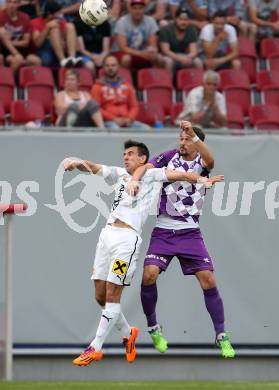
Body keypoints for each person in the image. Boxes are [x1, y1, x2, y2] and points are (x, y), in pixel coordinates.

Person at [63, 139, 224, 366]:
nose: (125, 157)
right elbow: (94, 167)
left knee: (112, 296)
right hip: (106, 237)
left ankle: (95, 347)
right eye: (124, 154)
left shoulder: (153, 175)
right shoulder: (120, 174)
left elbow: (181, 175)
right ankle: (128, 334)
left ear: (142, 159)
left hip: (127, 243)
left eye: (130, 154)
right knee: (100, 296)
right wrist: (75, 161)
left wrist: (201, 180)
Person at [128, 121, 235, 359]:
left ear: (197, 142)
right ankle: (154, 327)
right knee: (149, 274)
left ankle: (221, 335)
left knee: (208, 279)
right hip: (164, 229)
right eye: (181, 138)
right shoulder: (169, 156)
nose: (182, 142)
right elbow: (145, 167)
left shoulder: (202, 163)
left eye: (187, 139)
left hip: (189, 231)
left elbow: (211, 160)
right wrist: (135, 179)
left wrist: (194, 136)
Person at [91, 54, 151, 130]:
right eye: (107, 65)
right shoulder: (97, 87)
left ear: (118, 66)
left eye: (113, 65)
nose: (110, 68)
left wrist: (129, 118)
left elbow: (134, 106)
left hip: (127, 121)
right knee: (115, 129)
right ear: (103, 67)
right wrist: (113, 119)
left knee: (146, 129)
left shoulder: (127, 86)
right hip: (108, 122)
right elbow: (96, 109)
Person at [31, 0, 82, 67]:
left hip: (61, 47)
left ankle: (72, 58)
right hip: (45, 48)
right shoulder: (35, 22)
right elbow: (37, 44)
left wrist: (62, 40)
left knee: (70, 26)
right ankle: (62, 61)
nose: (61, 15)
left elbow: (65, 38)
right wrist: (47, 27)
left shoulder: (60, 20)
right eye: (58, 13)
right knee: (54, 30)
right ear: (49, 14)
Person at [113, 0, 162, 69]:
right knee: (126, 59)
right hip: (124, 52)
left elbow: (152, 44)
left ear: (144, 9)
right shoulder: (122, 21)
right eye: (135, 8)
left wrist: (151, 50)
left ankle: (154, 78)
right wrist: (141, 54)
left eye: (140, 8)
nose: (137, 11)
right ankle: (126, 78)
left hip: (143, 52)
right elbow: (123, 47)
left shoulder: (150, 21)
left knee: (157, 57)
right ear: (130, 9)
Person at [0, 0, 41, 71]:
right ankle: (8, 81)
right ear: (6, 3)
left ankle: (28, 81)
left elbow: (25, 42)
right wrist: (16, 53)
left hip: (22, 50)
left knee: (36, 61)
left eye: (14, 2)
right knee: (17, 60)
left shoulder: (25, 17)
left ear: (19, 4)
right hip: (5, 50)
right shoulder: (1, 15)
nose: (11, 5)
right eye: (9, 2)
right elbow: (2, 36)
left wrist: (8, 41)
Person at [159, 7, 203, 72]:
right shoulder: (166, 29)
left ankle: (199, 82)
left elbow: (193, 51)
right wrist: (180, 59)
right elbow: (166, 50)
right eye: (181, 19)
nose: (183, 22)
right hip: (168, 56)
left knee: (198, 61)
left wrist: (188, 57)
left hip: (184, 55)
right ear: (176, 19)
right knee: (169, 62)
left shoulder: (191, 29)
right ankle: (168, 82)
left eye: (186, 20)